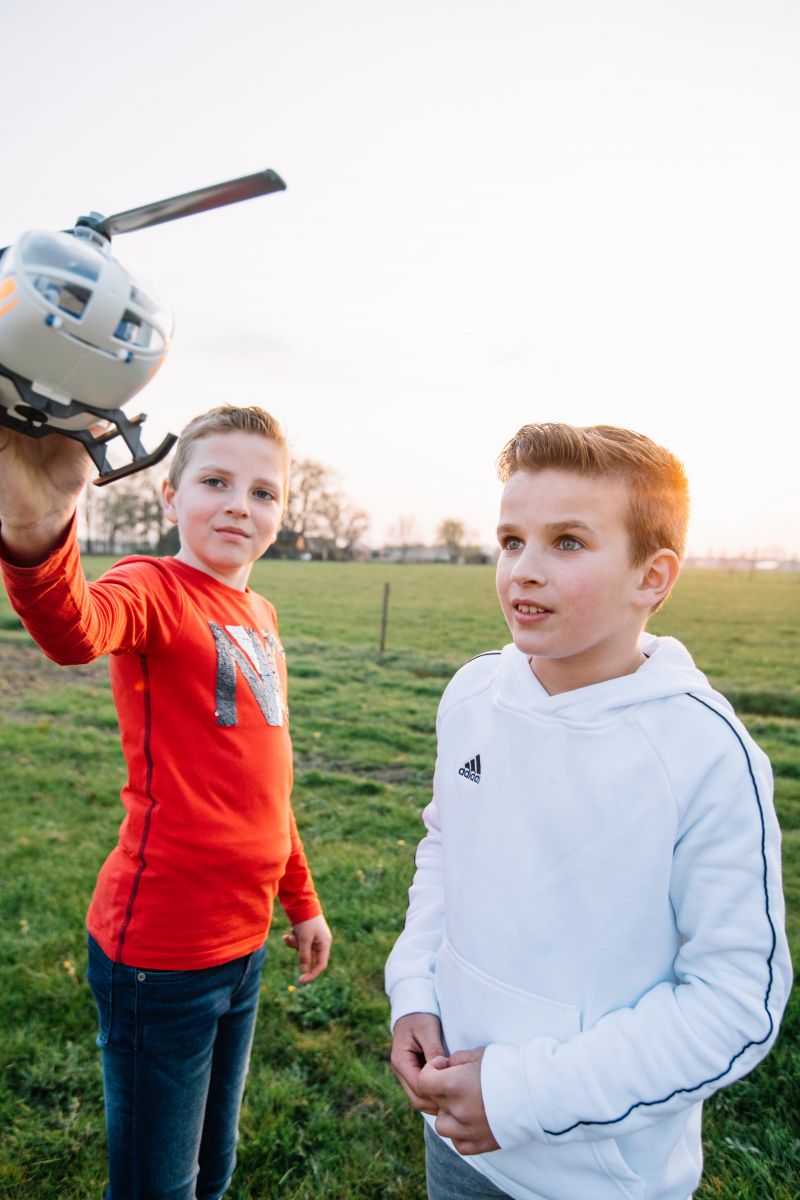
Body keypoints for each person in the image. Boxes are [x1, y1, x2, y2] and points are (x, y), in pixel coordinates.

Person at [386, 422, 791, 1200]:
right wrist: (414, 990)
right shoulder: (472, 693)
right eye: (511, 540)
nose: (523, 571)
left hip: (596, 1178)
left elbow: (735, 1003)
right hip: (456, 1138)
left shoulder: (705, 753)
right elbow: (446, 848)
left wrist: (526, 1097)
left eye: (567, 543)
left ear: (654, 577)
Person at [0, 406, 332, 1200]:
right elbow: (76, 628)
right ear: (169, 496)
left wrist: (303, 902)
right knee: (159, 1187)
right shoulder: (152, 586)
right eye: (215, 482)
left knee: (212, 1171)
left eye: (263, 492)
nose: (238, 506)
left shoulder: (262, 615)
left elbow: (267, 788)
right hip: (161, 958)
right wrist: (38, 529)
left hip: (244, 948)